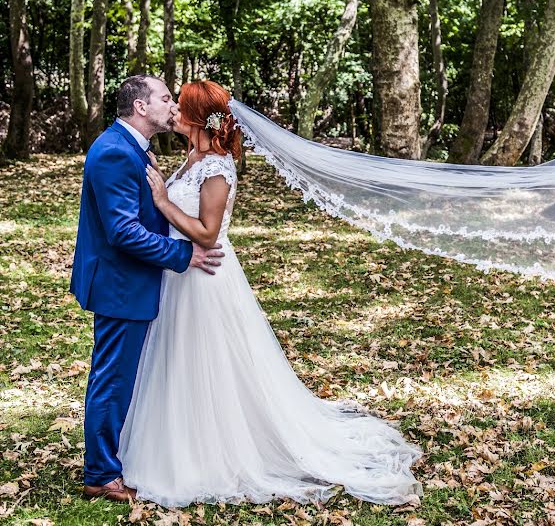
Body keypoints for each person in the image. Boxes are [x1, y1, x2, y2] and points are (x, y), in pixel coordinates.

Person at [118, 80, 422, 507]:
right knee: (178, 364)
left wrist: (164, 202)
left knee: (209, 369)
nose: (170, 110)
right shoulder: (192, 157)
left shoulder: (218, 167)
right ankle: (180, 441)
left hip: (206, 280)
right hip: (180, 275)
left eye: (177, 103)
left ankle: (215, 453)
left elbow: (207, 233)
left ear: (195, 116)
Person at [69, 75, 226, 502]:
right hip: (122, 283)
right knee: (113, 379)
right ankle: (100, 474)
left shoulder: (136, 149)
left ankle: (117, 459)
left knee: (123, 377)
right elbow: (123, 231)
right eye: (164, 98)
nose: (172, 105)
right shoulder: (115, 153)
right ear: (141, 107)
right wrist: (182, 256)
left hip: (135, 280)